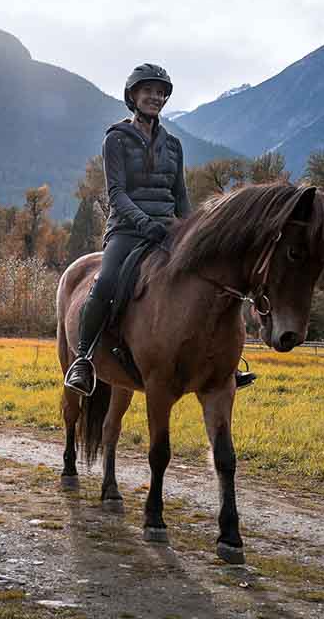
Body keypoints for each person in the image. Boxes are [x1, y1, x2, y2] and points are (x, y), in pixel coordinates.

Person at [65, 64, 254, 394]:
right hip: (126, 231)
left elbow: (180, 195)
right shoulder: (116, 139)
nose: (155, 97)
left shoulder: (174, 146)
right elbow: (117, 194)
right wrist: (143, 223)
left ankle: (222, 364)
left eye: (160, 92)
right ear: (133, 96)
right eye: (148, 91)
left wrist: (194, 232)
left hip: (169, 231)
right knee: (106, 280)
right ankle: (83, 359)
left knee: (213, 279)